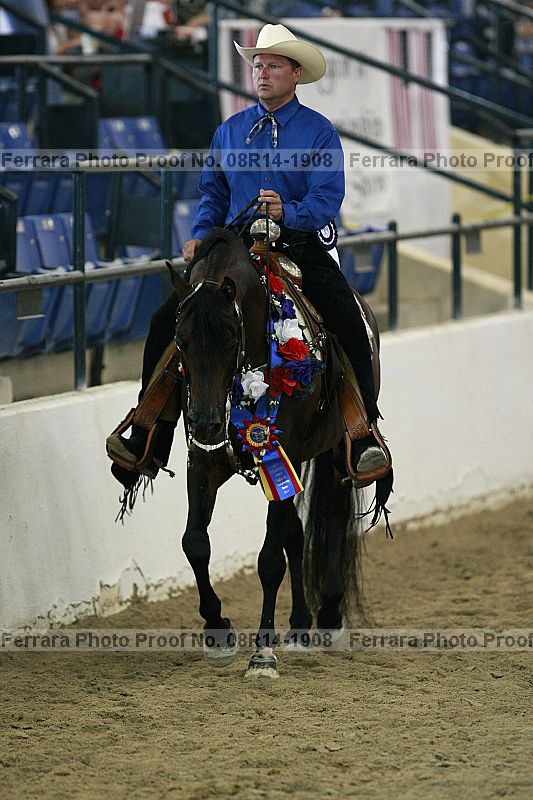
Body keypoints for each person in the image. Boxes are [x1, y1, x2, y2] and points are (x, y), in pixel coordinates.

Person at [107, 23, 388, 485]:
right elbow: (213, 194)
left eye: (273, 65)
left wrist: (287, 212)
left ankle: (363, 431)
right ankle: (147, 430)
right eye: (258, 65)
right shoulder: (230, 131)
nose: (262, 73)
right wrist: (201, 235)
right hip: (235, 247)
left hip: (299, 243)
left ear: (295, 74)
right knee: (165, 322)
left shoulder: (319, 133)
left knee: (347, 318)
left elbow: (326, 199)